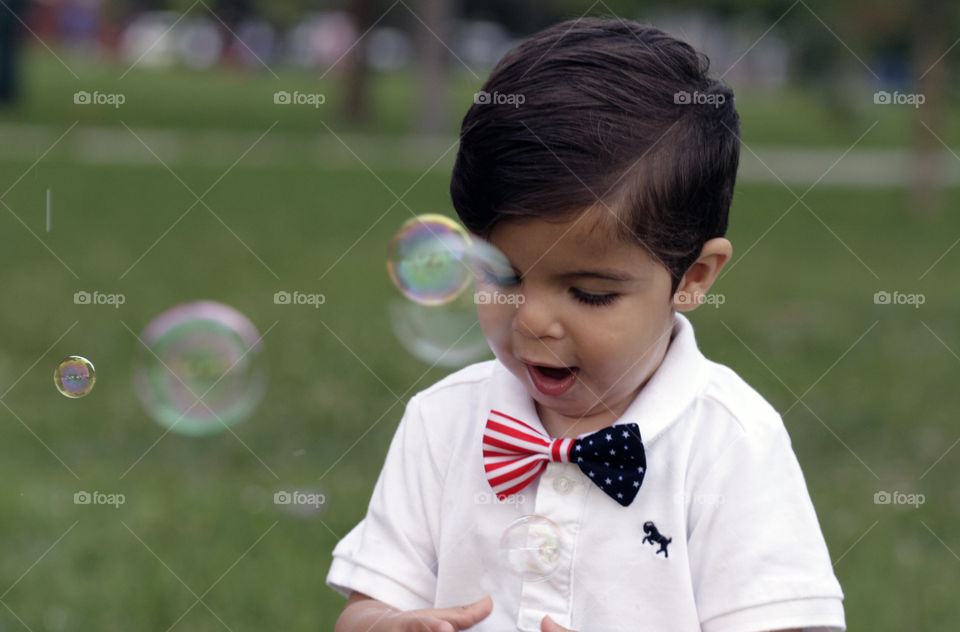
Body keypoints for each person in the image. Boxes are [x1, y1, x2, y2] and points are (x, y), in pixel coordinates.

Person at [327, 17, 845, 632]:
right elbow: (367, 607)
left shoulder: (730, 441)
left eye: (590, 294)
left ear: (694, 277)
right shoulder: (443, 422)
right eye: (503, 277)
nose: (534, 320)